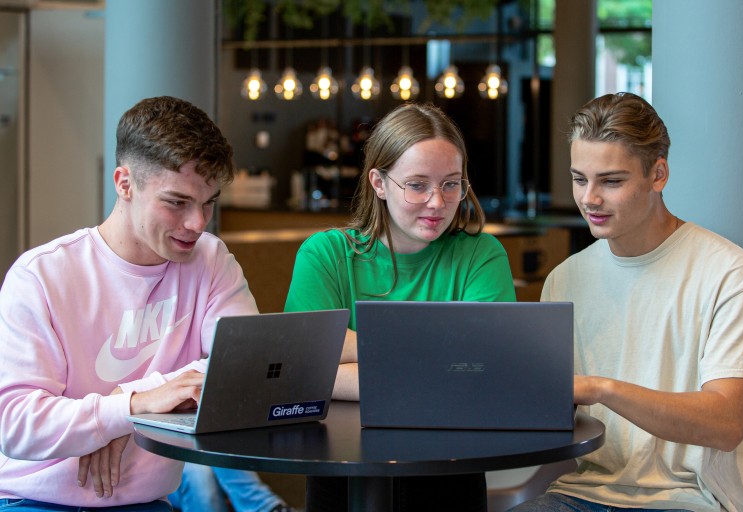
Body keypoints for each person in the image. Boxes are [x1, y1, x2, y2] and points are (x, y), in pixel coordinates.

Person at [0, 96, 259, 510]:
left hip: (147, 500)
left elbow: (248, 368)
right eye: (177, 202)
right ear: (124, 183)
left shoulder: (210, 260)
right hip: (32, 501)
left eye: (209, 202)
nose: (197, 223)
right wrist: (128, 409)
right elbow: (16, 425)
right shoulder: (41, 276)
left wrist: (125, 407)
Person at [512, 92, 743, 512]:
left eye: (611, 181)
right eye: (580, 179)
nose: (590, 199)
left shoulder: (731, 274)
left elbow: (727, 424)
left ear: (659, 174)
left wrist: (603, 389)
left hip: (688, 500)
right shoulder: (565, 279)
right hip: (579, 494)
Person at [284, 102, 517, 512]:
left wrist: (346, 356)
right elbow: (303, 364)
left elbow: (489, 368)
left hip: (450, 471)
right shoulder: (325, 255)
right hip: (340, 467)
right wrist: (438, 358)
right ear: (378, 182)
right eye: (417, 184)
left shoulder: (483, 255)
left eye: (451, 184)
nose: (437, 202)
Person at [168, 464, 292, 512]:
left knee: (214, 431)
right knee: (199, 474)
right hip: (158, 466)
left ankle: (265, 507)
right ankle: (265, 506)